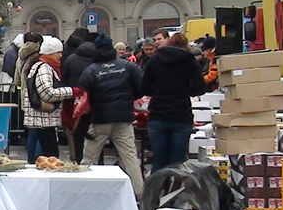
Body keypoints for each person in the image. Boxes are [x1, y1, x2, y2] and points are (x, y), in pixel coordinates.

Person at [79, 37, 145, 196]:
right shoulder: (128, 66)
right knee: (130, 158)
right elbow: (141, 87)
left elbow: (82, 96)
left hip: (100, 119)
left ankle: (82, 192)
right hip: (124, 117)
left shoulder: (91, 70)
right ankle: (141, 194)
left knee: (89, 159)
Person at [140, 30, 208, 172]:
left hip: (158, 115)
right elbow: (200, 88)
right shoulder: (190, 61)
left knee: (159, 160)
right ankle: (175, 192)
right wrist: (185, 91)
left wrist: (158, 91)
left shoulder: (154, 60)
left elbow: (144, 88)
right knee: (178, 162)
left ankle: (156, 192)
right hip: (181, 114)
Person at [23, 36, 78, 160]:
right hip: (44, 119)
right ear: (49, 53)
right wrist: (72, 91)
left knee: (45, 153)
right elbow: (47, 93)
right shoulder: (44, 68)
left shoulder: (42, 66)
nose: (61, 56)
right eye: (58, 52)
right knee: (49, 155)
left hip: (42, 119)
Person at [61, 39, 96, 162]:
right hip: (93, 101)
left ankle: (78, 158)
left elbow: (64, 78)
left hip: (74, 99)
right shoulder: (96, 61)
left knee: (77, 131)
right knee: (93, 133)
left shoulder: (70, 59)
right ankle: (95, 161)